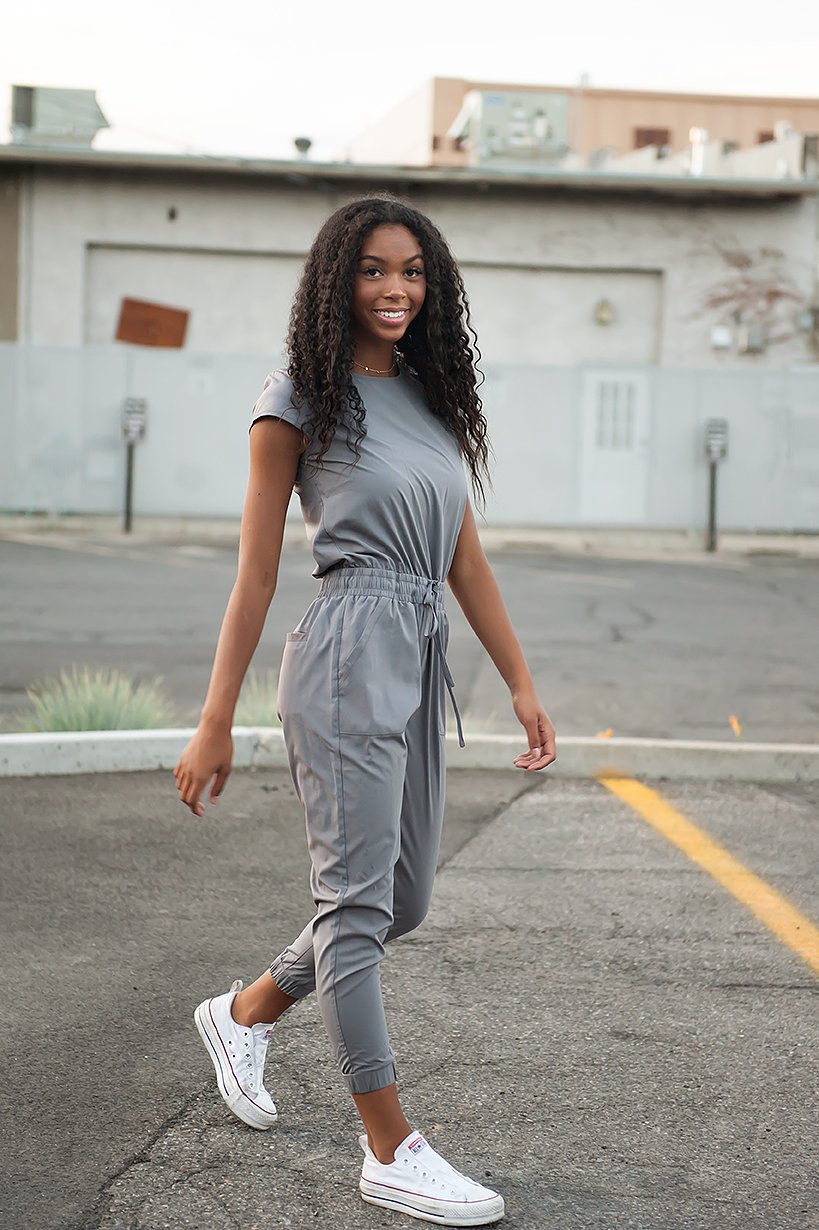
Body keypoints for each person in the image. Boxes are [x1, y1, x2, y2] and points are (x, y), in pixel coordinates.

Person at [173, 194, 556, 1226]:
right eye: (376, 270)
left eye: (415, 273)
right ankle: (389, 1145)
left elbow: (464, 556)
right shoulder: (298, 398)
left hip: (419, 651)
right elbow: (254, 576)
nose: (396, 289)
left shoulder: (432, 398)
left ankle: (245, 1011)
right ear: (337, 278)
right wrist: (216, 719)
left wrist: (517, 678)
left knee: (403, 902)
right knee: (354, 909)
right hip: (345, 653)